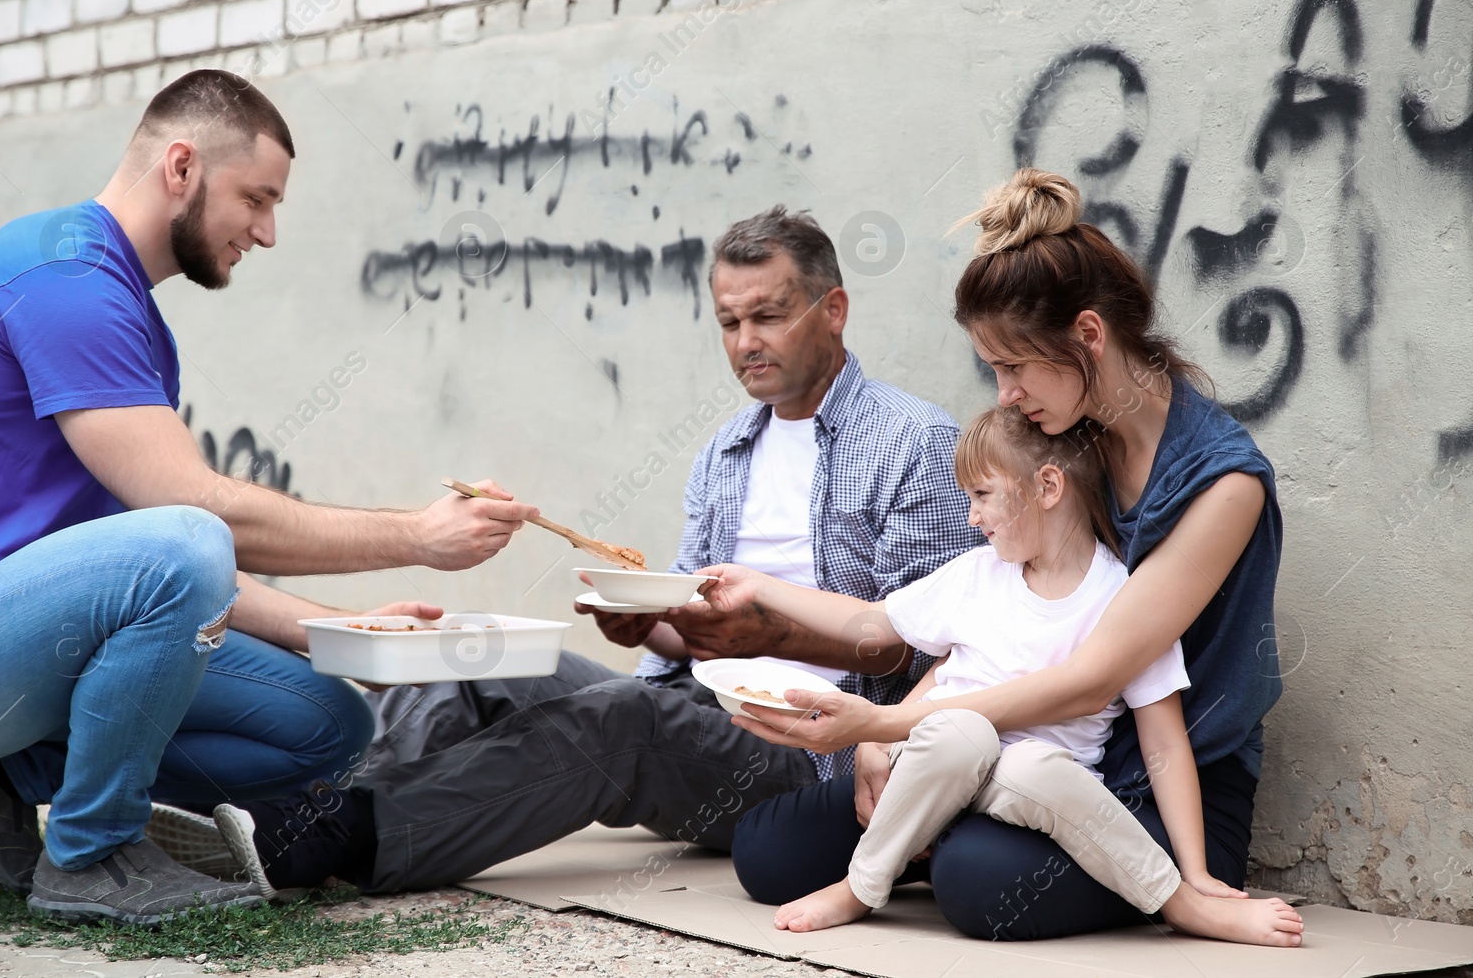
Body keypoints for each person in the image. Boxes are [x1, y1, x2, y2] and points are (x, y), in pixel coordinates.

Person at [152, 206, 981, 894]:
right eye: (728, 321)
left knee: (619, 723)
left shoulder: (914, 443)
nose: (745, 342)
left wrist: (772, 635)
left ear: (832, 310)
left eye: (768, 315)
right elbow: (695, 621)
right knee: (482, 650)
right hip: (700, 709)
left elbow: (920, 647)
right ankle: (291, 802)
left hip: (817, 752)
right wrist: (649, 625)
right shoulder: (728, 449)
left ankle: (342, 837)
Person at [0, 70, 535, 925]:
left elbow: (143, 561)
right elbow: (192, 525)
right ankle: (91, 852)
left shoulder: (131, 317)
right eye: (256, 199)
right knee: (185, 539)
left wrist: (338, 628)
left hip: (17, 641)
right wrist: (418, 532)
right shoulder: (61, 273)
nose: (266, 232)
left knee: (326, 721)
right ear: (181, 167)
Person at [728, 167, 1287, 942]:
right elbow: (989, 607)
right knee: (770, 852)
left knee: (978, 882)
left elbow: (1089, 680)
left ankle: (937, 840)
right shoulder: (1067, 433)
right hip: (999, 743)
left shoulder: (1221, 483)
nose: (1003, 394)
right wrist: (907, 724)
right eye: (994, 369)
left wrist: (886, 727)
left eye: (1015, 366)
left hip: (1149, 784)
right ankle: (926, 827)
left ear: (1089, 335)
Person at [705, 406, 1302, 947]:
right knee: (944, 740)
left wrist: (1196, 870)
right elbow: (871, 620)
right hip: (937, 766)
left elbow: (1164, 737)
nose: (972, 517)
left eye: (983, 495)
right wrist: (760, 588)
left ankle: (1181, 903)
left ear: (1047, 487)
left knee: (1024, 761)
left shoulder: (1119, 597)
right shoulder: (978, 574)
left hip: (1027, 793)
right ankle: (882, 868)